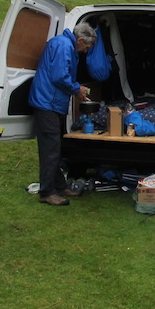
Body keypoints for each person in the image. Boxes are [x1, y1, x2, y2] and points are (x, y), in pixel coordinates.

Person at [28, 21, 97, 206]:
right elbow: (60, 76)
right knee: (50, 150)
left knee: (56, 148)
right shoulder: (63, 46)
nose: (85, 51)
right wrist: (77, 89)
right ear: (80, 40)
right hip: (46, 103)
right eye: (86, 47)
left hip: (53, 103)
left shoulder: (67, 46)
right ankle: (47, 192)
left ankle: (59, 185)